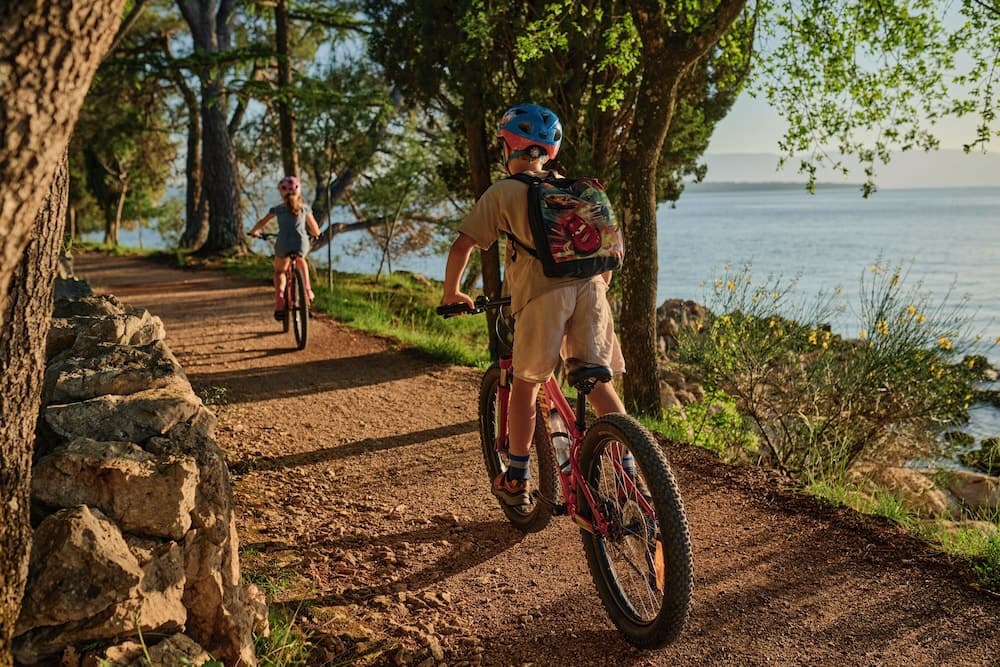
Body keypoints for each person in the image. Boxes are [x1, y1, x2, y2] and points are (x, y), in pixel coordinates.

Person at [441, 103, 627, 507]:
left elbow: (462, 246)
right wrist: (594, 289)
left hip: (543, 299)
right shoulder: (576, 190)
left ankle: (518, 478)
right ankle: (636, 476)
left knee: (525, 385)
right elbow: (604, 255)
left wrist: (452, 294)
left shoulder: (504, 191)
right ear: (549, 152)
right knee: (599, 384)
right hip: (594, 290)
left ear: (509, 147)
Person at [248, 176, 322, 319]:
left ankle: (280, 298)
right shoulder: (304, 209)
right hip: (301, 243)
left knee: (279, 272)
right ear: (299, 191)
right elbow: (315, 230)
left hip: (283, 243)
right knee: (301, 260)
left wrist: (254, 231)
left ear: (281, 192)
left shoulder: (277, 209)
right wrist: (315, 234)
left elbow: (262, 222)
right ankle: (307, 291)